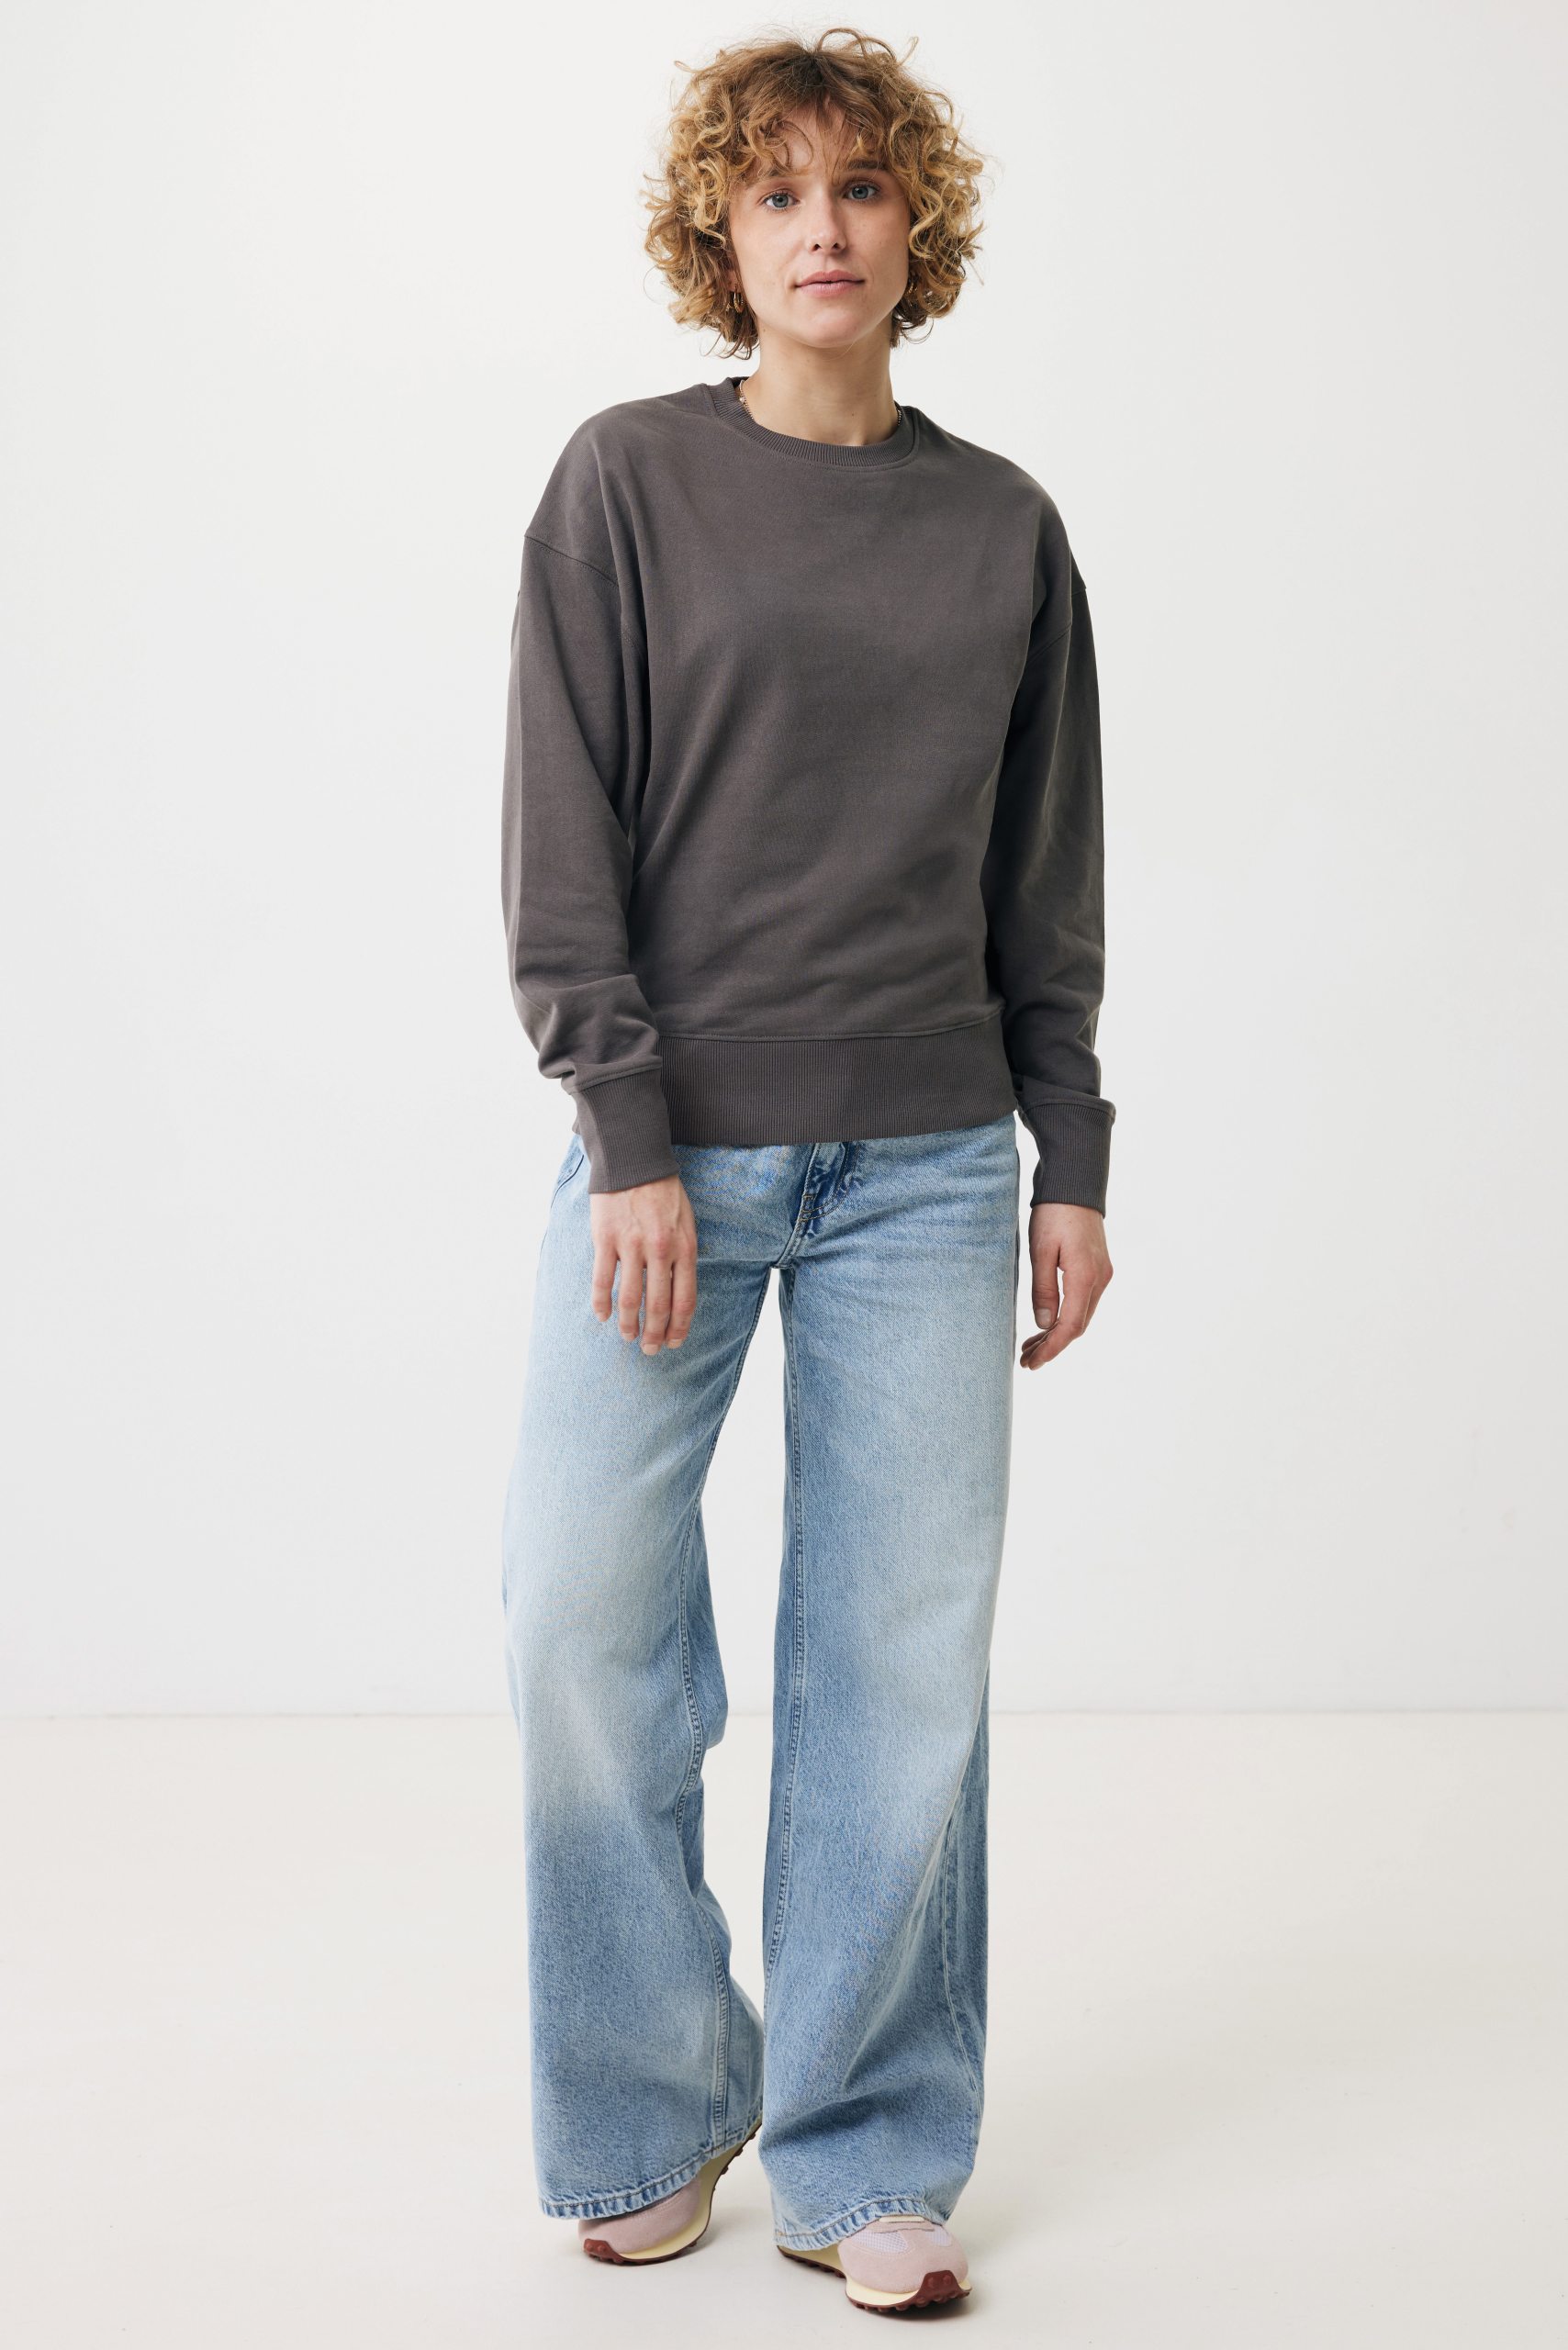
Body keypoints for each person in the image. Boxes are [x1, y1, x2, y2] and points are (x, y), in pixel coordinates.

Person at [498, 27, 1115, 2317]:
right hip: (670, 1161)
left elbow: (1041, 879)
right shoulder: (624, 484)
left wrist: (1067, 1153)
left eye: (857, 186)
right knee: (577, 1612)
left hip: (935, 1168)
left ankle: (864, 2150)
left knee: (893, 1663)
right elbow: (562, 843)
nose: (820, 226)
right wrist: (625, 1129)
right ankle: (653, 2106)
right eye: (773, 193)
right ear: (719, 237)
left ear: (911, 223)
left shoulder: (1001, 527)